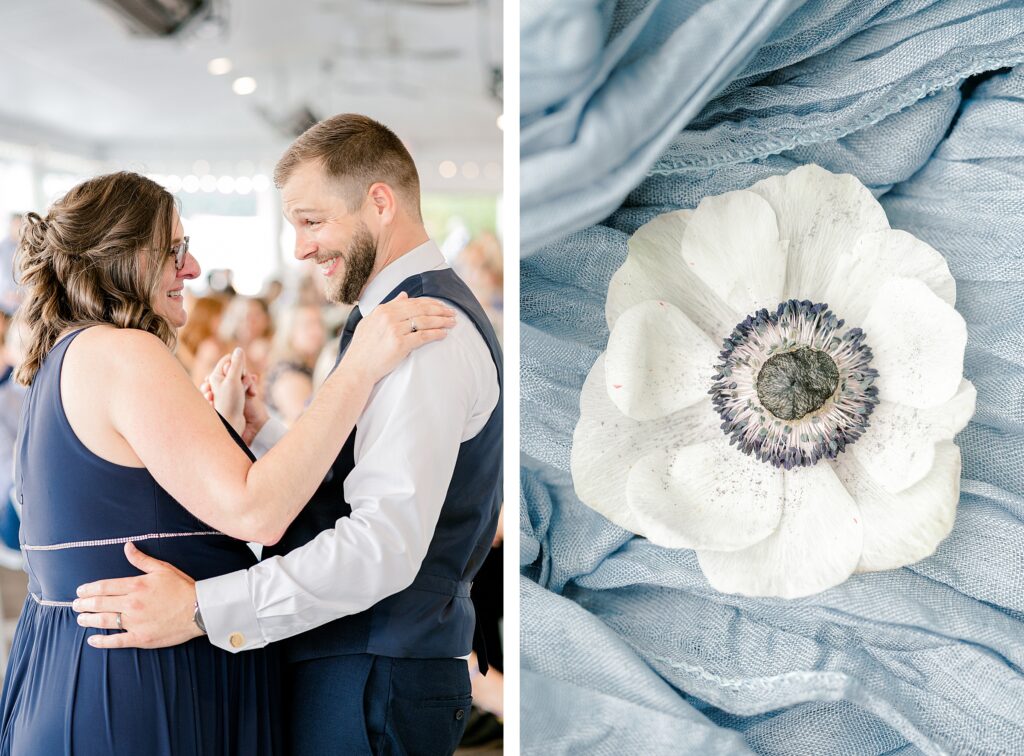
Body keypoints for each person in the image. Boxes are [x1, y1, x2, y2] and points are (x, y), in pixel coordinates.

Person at [75, 113, 504, 755]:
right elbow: (364, 481)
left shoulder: (423, 333)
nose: (300, 249)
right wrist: (266, 435)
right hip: (363, 670)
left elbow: (381, 546)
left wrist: (201, 609)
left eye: (312, 221)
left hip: (374, 680)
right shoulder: (392, 321)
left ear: (379, 202)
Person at [0, 171, 454, 755]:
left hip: (93, 677)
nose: (191, 268)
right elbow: (257, 511)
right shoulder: (123, 352)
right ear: (123, 256)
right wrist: (360, 366)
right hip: (136, 696)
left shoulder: (69, 357)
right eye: (175, 250)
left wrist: (222, 432)